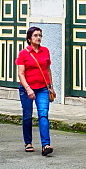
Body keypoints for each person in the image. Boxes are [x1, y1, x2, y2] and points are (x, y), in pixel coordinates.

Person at [16, 26, 54, 156]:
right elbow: (21, 74)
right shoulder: (23, 54)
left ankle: (46, 145)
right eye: (36, 35)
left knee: (43, 115)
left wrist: (50, 85)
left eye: (40, 35)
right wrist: (28, 89)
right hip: (27, 89)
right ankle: (28, 142)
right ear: (29, 38)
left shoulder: (45, 51)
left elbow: (48, 69)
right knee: (27, 116)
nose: (38, 38)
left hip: (42, 88)